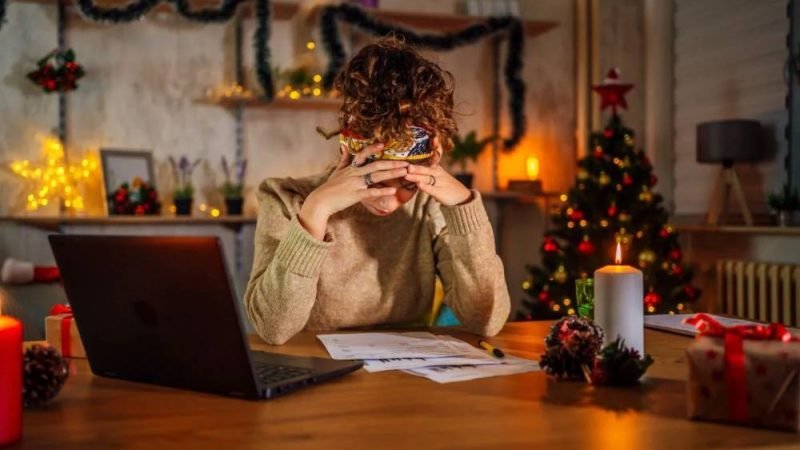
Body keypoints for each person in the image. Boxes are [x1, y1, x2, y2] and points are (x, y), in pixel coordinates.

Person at [244, 37, 510, 345]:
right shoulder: (284, 198)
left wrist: (464, 206)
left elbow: (486, 320)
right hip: (315, 368)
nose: (389, 202)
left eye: (407, 185)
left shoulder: (429, 206)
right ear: (346, 151)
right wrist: (315, 211)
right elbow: (273, 328)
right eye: (376, 183)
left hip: (407, 369)